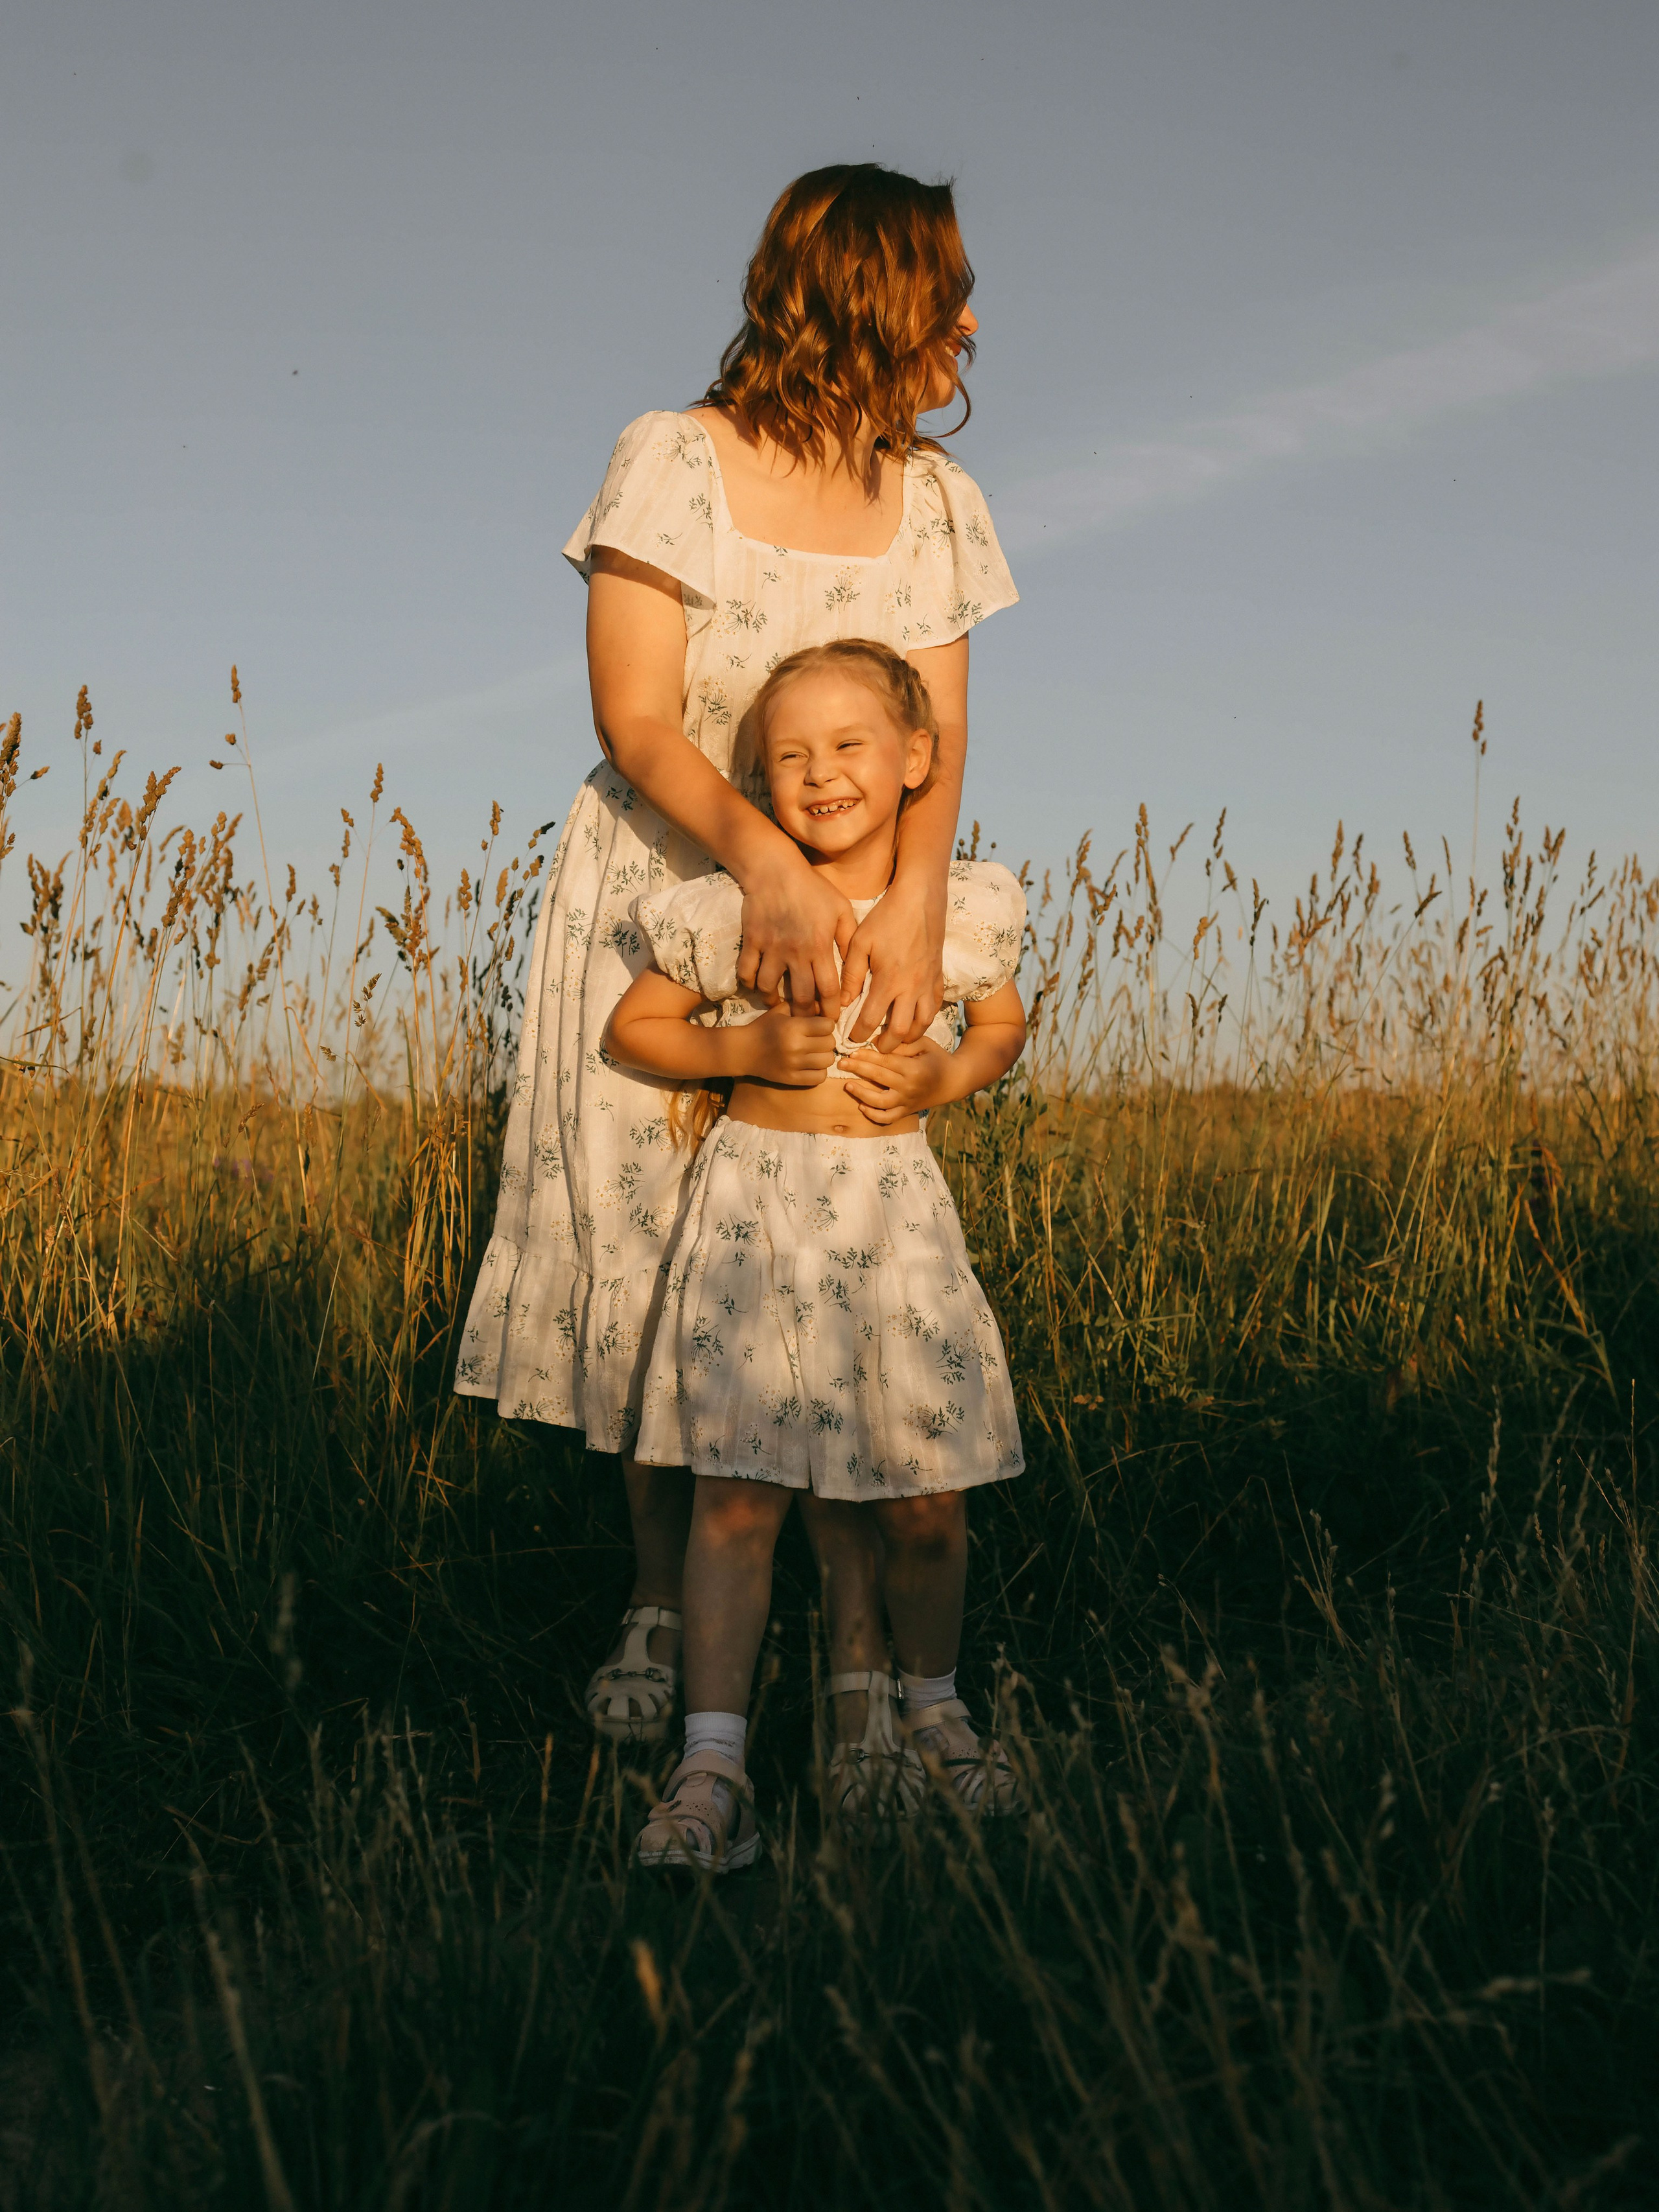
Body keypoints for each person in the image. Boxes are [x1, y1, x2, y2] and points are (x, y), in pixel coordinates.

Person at [453, 164, 1019, 1748]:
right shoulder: (671, 461)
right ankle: (655, 1604)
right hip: (670, 891)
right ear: (864, 294)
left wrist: (907, 905)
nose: (970, 320)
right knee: (656, 1273)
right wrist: (758, 862)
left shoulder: (940, 504)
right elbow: (635, 716)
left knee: (823, 1265)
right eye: (945, 289)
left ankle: (850, 1653)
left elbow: (945, 729)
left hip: (856, 903)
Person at [604, 641, 1027, 1872]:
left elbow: (999, 1021)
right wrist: (740, 1052)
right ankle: (713, 1764)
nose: (819, 773)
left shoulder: (959, 909)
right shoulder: (734, 908)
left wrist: (947, 1071)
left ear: (916, 760)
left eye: (848, 746)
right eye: (788, 756)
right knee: (736, 1498)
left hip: (895, 1220)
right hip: (756, 1213)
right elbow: (639, 1026)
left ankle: (934, 1705)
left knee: (927, 1501)